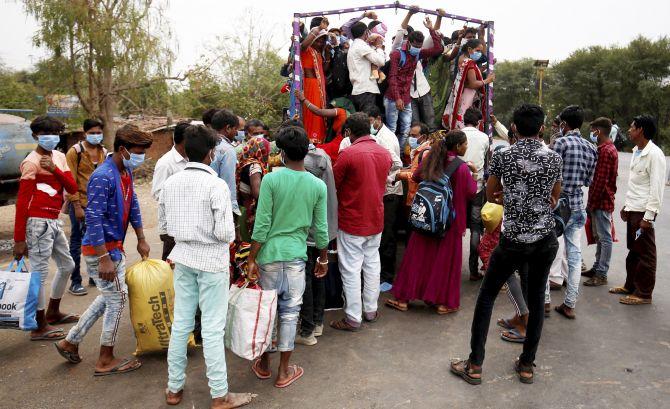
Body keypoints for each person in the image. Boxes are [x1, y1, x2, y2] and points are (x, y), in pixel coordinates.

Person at [451, 104, 562, 385]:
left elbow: (490, 193)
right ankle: (526, 365)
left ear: (513, 127)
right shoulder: (553, 158)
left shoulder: (504, 155)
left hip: (513, 239)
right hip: (544, 239)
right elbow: (554, 197)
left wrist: (508, 198)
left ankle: (474, 365)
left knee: (486, 296)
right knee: (536, 299)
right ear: (541, 128)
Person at [159, 125, 254, 408]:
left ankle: (174, 388)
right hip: (211, 261)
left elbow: (164, 228)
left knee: (182, 324)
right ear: (211, 153)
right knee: (212, 329)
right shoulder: (216, 186)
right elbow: (225, 233)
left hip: (183, 256)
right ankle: (219, 395)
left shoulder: (171, 183)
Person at [55, 125, 152, 376]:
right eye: (138, 152)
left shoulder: (124, 172)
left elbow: (134, 205)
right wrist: (103, 258)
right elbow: (93, 218)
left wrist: (141, 237)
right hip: (102, 251)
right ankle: (105, 359)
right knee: (117, 299)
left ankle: (71, 341)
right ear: (123, 149)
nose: (141, 157)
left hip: (114, 248)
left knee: (108, 297)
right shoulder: (103, 176)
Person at [247, 126, 329, 388]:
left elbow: (262, 224)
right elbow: (321, 228)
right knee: (290, 313)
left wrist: (251, 258)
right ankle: (283, 372)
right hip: (296, 256)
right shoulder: (317, 185)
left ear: (281, 153)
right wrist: (323, 258)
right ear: (306, 152)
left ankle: (263, 363)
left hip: (269, 256)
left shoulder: (271, 180)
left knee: (268, 312)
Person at [385, 130, 477, 314]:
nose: (467, 147)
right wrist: (474, 174)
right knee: (444, 262)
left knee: (418, 257)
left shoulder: (432, 159)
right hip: (449, 222)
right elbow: (470, 193)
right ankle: (443, 303)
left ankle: (403, 299)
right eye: (465, 144)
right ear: (458, 146)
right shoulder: (462, 168)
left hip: (426, 217)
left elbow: (416, 176)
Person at [13, 115, 79, 341]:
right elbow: (22, 203)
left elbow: (72, 186)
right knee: (39, 275)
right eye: (45, 135)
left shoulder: (59, 157)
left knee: (67, 265)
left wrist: (54, 169)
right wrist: (19, 239)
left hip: (53, 220)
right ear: (35, 136)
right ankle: (38, 325)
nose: (52, 138)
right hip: (37, 221)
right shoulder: (30, 162)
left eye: (55, 134)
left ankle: (52, 311)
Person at [330, 113, 392, 331]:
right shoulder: (384, 154)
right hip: (375, 218)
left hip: (352, 220)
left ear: (348, 132)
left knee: (351, 268)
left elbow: (334, 184)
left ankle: (353, 317)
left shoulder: (348, 154)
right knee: (372, 264)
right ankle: (370, 310)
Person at [339, 107, 403, 290]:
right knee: (372, 254)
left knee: (386, 240)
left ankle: (387, 277)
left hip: (387, 194)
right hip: (375, 196)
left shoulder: (385, 140)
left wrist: (384, 177)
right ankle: (370, 305)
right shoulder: (360, 145)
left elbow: (396, 164)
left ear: (377, 119)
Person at [610, 115, 666, 305]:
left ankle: (643, 294)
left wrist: (648, 217)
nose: (629, 130)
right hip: (634, 209)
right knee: (634, 251)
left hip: (644, 213)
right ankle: (630, 286)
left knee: (645, 255)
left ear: (641, 130)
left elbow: (656, 189)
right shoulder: (637, 151)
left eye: (632, 127)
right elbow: (638, 186)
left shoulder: (655, 154)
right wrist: (627, 206)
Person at [552, 105, 597, 319]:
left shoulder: (560, 143)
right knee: (575, 255)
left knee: (548, 251)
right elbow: (588, 180)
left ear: (564, 124)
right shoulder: (591, 148)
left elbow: (550, 175)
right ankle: (569, 304)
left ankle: (543, 301)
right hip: (578, 206)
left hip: (558, 205)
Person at [296, 141, 338, 346]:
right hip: (324, 228)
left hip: (310, 231)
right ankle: (318, 322)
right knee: (319, 275)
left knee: (308, 280)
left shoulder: (306, 164)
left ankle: (308, 328)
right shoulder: (323, 156)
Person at [385, 17, 443, 148]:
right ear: (408, 42)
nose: (417, 48)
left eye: (419, 46)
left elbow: (438, 49)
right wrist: (397, 97)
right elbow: (392, 77)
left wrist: (431, 29)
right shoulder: (397, 53)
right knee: (404, 128)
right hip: (401, 96)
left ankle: (430, 152)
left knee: (426, 125)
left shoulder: (418, 54)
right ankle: (400, 154)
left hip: (419, 92)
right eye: (415, 45)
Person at [65, 118, 107, 295]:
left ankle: (94, 276)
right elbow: (70, 181)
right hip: (80, 204)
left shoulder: (104, 152)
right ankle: (75, 281)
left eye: (99, 132)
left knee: (96, 240)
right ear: (85, 133)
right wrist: (76, 206)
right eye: (92, 133)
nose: (96, 136)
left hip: (99, 206)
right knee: (76, 241)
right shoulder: (75, 152)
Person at [583, 117, 618, 287]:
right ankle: (597, 267)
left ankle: (602, 272)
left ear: (599, 131)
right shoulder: (607, 148)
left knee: (604, 238)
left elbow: (600, 181)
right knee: (600, 237)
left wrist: (591, 203)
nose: (592, 134)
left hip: (601, 201)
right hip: (602, 200)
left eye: (593, 130)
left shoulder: (605, 151)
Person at [460, 107, 490, 280]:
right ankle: (473, 270)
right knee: (476, 228)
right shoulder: (484, 137)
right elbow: (486, 160)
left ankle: (452, 265)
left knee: (455, 227)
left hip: (457, 188)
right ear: (479, 122)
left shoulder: (456, 134)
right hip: (477, 188)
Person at [152, 121, 189, 261]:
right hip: (172, 226)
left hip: (188, 223)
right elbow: (157, 193)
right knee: (169, 266)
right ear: (184, 140)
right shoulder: (166, 163)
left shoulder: (191, 159)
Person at [442, 38, 495, 130]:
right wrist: (488, 80)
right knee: (465, 120)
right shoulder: (469, 63)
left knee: (460, 117)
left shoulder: (462, 59)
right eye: (477, 50)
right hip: (467, 96)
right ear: (470, 49)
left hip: (462, 94)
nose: (479, 53)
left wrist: (486, 66)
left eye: (480, 51)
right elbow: (473, 83)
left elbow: (470, 78)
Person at [295, 89, 349, 163]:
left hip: (338, 144)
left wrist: (304, 99)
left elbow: (319, 111)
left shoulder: (340, 111)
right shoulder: (349, 114)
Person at [300, 18, 331, 143]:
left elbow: (322, 70)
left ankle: (319, 142)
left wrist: (327, 57)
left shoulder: (318, 53)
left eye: (323, 40)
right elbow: (303, 45)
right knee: (312, 114)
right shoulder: (306, 50)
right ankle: (311, 141)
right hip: (310, 86)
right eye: (318, 39)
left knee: (319, 115)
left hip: (320, 89)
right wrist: (319, 29)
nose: (321, 42)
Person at [346, 19, 386, 113]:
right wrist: (379, 47)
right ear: (366, 32)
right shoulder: (361, 46)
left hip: (359, 90)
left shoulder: (355, 46)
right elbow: (381, 61)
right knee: (368, 122)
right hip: (366, 91)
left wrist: (372, 45)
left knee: (362, 122)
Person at [236, 137, 270, 239]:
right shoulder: (255, 166)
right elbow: (257, 193)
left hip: (242, 209)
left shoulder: (245, 161)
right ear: (261, 150)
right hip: (250, 213)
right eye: (266, 150)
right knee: (249, 246)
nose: (267, 153)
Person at [210, 109, 241, 218]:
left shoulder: (206, 144)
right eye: (235, 129)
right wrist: (233, 210)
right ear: (227, 128)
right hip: (220, 206)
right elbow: (228, 183)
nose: (237, 132)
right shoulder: (227, 150)